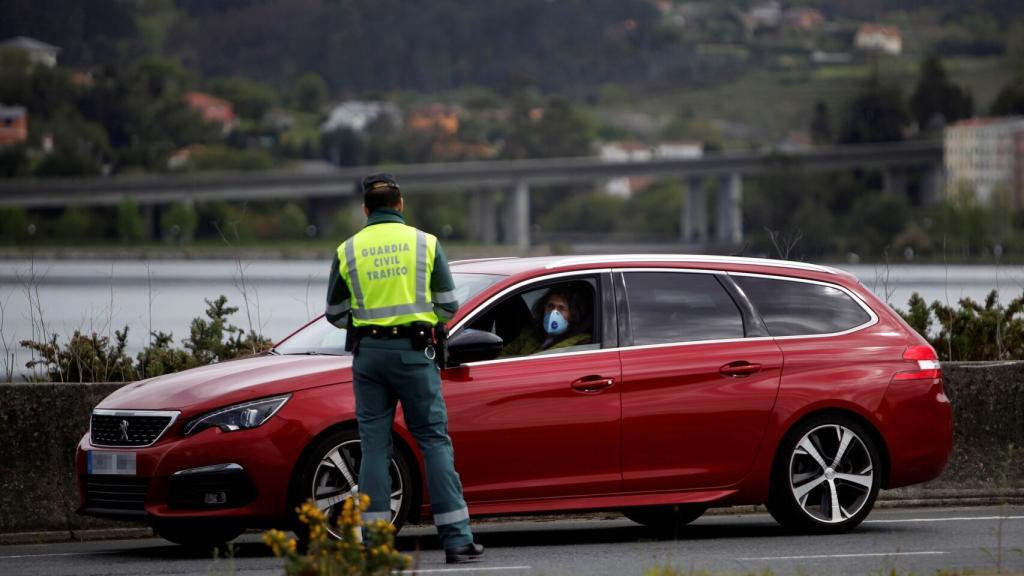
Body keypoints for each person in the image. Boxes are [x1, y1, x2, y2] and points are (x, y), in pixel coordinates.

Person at [324, 173, 483, 564]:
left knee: (375, 445)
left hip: (369, 354)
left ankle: (375, 543)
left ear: (366, 209)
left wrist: (367, 324)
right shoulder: (425, 243)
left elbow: (335, 313)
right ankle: (457, 541)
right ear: (401, 204)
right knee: (433, 441)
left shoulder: (348, 250)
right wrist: (424, 321)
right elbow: (448, 304)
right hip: (414, 353)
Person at [502, 284, 593, 356]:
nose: (554, 312)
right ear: (543, 308)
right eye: (551, 306)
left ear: (573, 314)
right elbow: (504, 355)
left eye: (561, 308)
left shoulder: (580, 344)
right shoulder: (530, 334)